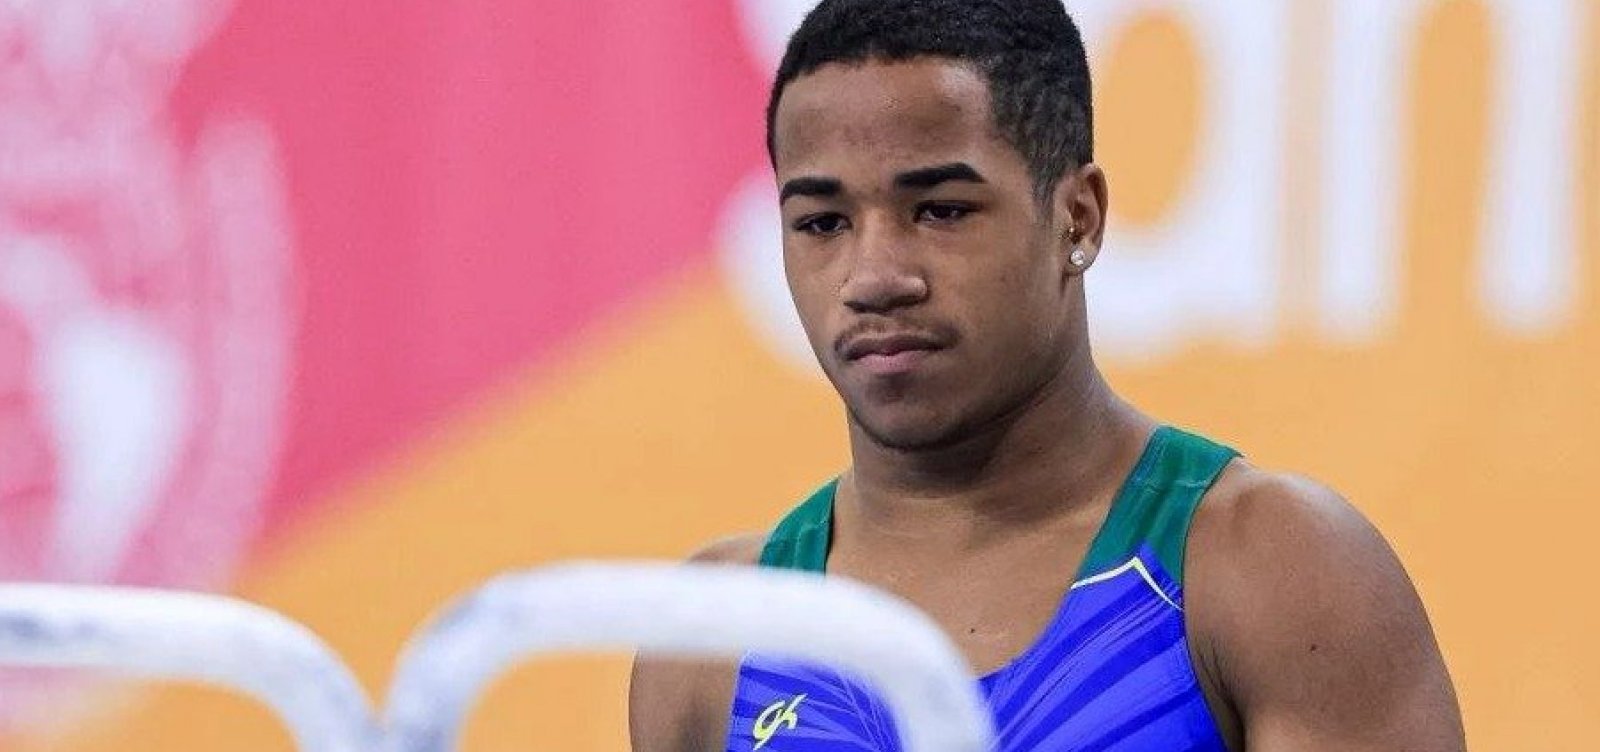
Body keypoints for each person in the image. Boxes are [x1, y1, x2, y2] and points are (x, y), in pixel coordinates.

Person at [630, 0, 1465, 749]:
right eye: (821, 222)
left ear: (1079, 217)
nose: (874, 276)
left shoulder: (1271, 572)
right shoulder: (711, 641)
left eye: (941, 210)